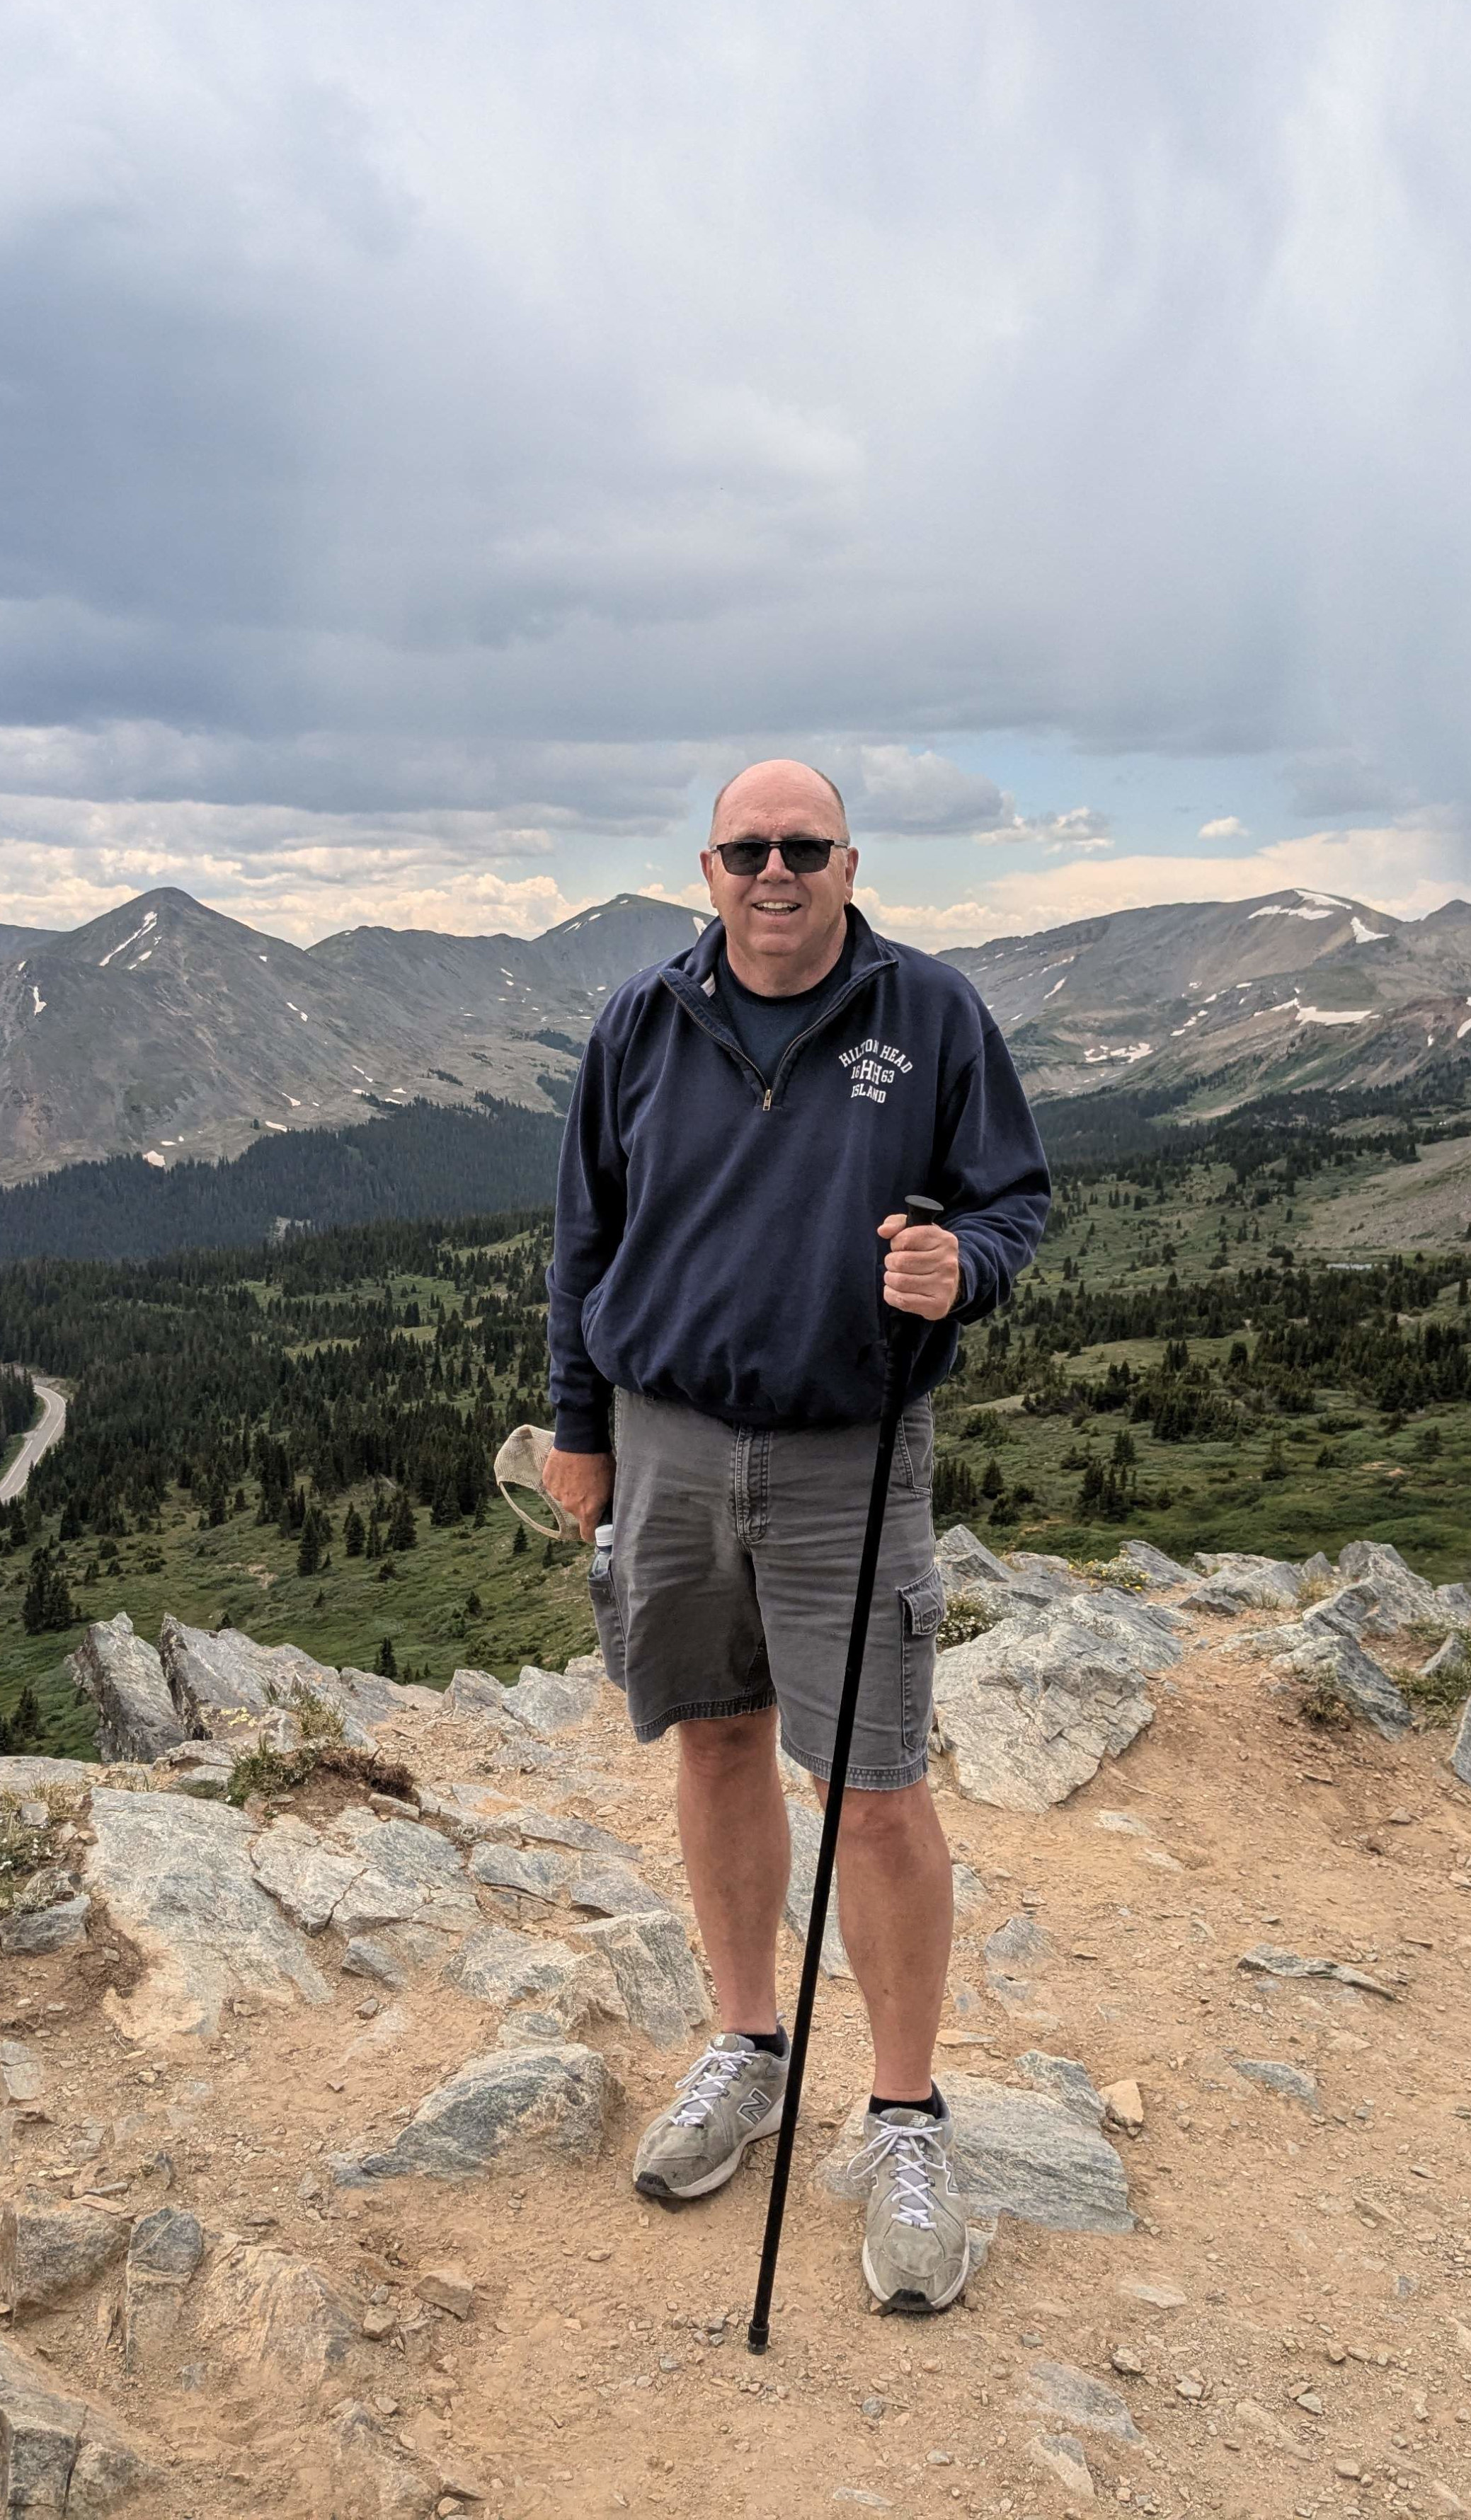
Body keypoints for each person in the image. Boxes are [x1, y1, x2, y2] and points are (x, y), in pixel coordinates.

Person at [544, 758, 1049, 2313]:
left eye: (804, 848)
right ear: (707, 869)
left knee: (875, 1790)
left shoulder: (932, 1013)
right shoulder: (640, 1021)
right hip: (668, 1437)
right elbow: (585, 1236)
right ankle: (749, 2044)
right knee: (714, 1737)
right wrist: (578, 1427)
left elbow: (1012, 1204)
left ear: (849, 863)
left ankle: (903, 2115)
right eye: (748, 849)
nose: (777, 871)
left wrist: (961, 1268)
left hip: (852, 1449)